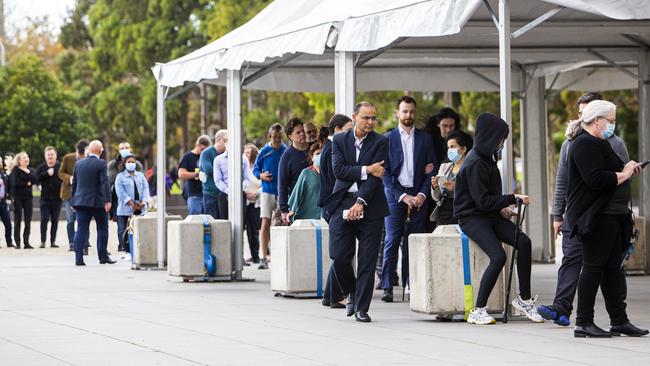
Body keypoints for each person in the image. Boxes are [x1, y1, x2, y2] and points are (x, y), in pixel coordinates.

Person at [538, 92, 631, 326]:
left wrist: (625, 174)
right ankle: (566, 309)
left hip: (606, 214)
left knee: (609, 267)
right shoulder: (576, 143)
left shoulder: (614, 143)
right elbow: (566, 180)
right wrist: (557, 214)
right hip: (582, 214)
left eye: (586, 112)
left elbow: (618, 179)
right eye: (580, 113)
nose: (582, 117)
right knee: (576, 260)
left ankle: (616, 317)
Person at [564, 100, 647, 338]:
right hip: (597, 218)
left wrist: (628, 168)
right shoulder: (583, 144)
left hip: (613, 217)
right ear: (597, 120)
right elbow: (596, 180)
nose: (613, 125)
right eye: (610, 120)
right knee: (592, 268)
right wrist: (624, 174)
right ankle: (583, 322)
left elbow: (612, 171)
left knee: (612, 270)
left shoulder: (600, 143)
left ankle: (619, 321)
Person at [454, 113, 543, 325]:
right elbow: (482, 201)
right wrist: (513, 198)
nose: (502, 145)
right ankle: (478, 309)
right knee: (498, 256)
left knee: (524, 242)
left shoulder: (487, 159)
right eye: (500, 140)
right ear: (490, 138)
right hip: (471, 217)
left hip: (488, 215)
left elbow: (488, 198)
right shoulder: (475, 163)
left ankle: (524, 299)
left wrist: (503, 207)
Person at [325, 101, 389, 323]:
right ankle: (351, 290)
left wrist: (360, 201)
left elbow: (376, 177)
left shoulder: (381, 141)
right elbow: (339, 170)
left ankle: (362, 307)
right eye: (366, 118)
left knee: (367, 261)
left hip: (370, 205)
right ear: (354, 117)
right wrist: (366, 168)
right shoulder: (339, 140)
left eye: (374, 118)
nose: (370, 122)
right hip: (342, 202)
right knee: (339, 256)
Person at [380, 96, 436, 303]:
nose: (408, 115)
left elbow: (432, 169)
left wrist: (421, 194)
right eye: (404, 111)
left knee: (414, 241)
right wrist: (403, 196)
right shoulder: (386, 139)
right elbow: (384, 173)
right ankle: (387, 286)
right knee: (392, 240)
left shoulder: (425, 139)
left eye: (411, 111)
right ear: (397, 113)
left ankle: (411, 283)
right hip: (395, 195)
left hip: (419, 194)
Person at [319, 114, 353, 309]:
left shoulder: (329, 147)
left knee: (342, 253)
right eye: (348, 130)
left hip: (332, 205)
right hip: (335, 205)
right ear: (338, 130)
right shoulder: (332, 149)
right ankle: (335, 295)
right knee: (341, 253)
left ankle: (330, 295)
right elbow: (336, 180)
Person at [71, 140, 113, 266]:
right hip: (97, 202)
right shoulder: (101, 163)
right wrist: (108, 200)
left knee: (81, 229)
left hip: (81, 201)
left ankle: (79, 258)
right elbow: (104, 183)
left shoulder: (78, 164)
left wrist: (73, 200)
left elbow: (75, 184)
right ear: (100, 150)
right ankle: (103, 256)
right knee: (102, 228)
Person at [253, 124, 286, 269]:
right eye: (274, 137)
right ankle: (263, 257)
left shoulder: (286, 150)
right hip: (267, 191)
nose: (277, 140)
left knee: (281, 223)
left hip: (282, 192)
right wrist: (261, 176)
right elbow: (255, 170)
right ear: (269, 137)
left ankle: (281, 254)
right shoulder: (264, 151)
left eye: (279, 137)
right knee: (265, 223)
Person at [430, 130, 473, 225]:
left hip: (465, 211)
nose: (450, 150)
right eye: (448, 148)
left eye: (452, 147)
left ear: (463, 149)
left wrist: (457, 187)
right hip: (445, 212)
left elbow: (476, 193)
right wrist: (435, 186)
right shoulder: (444, 167)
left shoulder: (472, 169)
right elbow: (437, 197)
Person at [212, 132, 253, 219]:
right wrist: (229, 192)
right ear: (225, 143)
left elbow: (247, 178)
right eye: (229, 142)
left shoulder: (244, 159)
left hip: (240, 194)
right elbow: (218, 180)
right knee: (225, 222)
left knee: (241, 221)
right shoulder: (218, 160)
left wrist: (238, 190)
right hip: (224, 194)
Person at [115, 154, 150, 256]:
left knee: (138, 230)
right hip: (125, 208)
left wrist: (143, 201)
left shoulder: (140, 175)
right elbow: (120, 192)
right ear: (124, 164)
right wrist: (130, 203)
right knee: (123, 230)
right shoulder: (120, 177)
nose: (131, 164)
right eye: (129, 162)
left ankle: (137, 251)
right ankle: (126, 251)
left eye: (133, 162)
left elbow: (145, 188)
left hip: (140, 207)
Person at [278, 118, 310, 225]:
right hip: (298, 204)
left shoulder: (314, 149)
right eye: (298, 132)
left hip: (317, 202)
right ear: (290, 137)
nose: (302, 134)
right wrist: (283, 210)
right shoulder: (286, 157)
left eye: (303, 131)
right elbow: (282, 184)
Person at [59, 140, 89, 252]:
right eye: (81, 154)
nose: (83, 156)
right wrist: (69, 178)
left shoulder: (88, 159)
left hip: (83, 194)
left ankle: (85, 243)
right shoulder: (68, 158)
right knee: (71, 219)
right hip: (68, 193)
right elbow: (60, 173)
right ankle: (72, 242)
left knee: (84, 219)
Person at [108, 142, 143, 223]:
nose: (125, 150)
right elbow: (112, 180)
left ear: (130, 149)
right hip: (118, 198)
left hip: (135, 198)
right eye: (122, 148)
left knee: (134, 224)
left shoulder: (137, 164)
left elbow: (141, 179)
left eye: (127, 148)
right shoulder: (113, 164)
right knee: (121, 227)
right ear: (119, 151)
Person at [288, 142, 322, 222]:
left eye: (322, 153)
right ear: (312, 157)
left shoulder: (330, 174)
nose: (320, 156)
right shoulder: (306, 173)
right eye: (317, 153)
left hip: (323, 216)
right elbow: (297, 193)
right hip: (307, 216)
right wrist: (292, 210)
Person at [35, 146, 62, 248]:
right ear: (45, 156)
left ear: (56, 155)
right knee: (44, 219)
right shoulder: (41, 167)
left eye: (52, 154)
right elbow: (36, 179)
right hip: (44, 199)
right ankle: (43, 241)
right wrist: (46, 174)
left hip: (57, 199)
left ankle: (53, 241)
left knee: (55, 220)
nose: (50, 156)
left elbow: (64, 177)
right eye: (48, 155)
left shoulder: (60, 166)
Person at [9, 152, 37, 249]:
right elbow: (15, 183)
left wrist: (28, 176)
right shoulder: (15, 170)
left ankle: (26, 242)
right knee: (17, 220)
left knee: (28, 220)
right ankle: (17, 243)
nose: (26, 159)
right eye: (24, 157)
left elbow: (34, 180)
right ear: (19, 160)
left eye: (27, 157)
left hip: (28, 198)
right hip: (17, 198)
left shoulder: (31, 170)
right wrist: (27, 183)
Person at [179, 135, 211, 215]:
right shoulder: (188, 157)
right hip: (194, 194)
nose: (204, 152)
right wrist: (196, 174)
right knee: (195, 219)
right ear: (197, 145)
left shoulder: (208, 156)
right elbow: (181, 174)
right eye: (202, 149)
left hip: (208, 194)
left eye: (206, 150)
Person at [199, 130, 227, 219]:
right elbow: (208, 170)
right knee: (212, 222)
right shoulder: (206, 153)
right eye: (226, 140)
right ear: (219, 140)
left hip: (224, 194)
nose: (228, 143)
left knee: (223, 222)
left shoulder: (227, 154)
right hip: (210, 194)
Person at [243, 144, 262, 264]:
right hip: (243, 200)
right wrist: (245, 193)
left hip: (255, 202)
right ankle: (240, 257)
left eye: (248, 153)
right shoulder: (241, 167)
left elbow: (264, 185)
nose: (246, 155)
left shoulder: (258, 168)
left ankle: (255, 256)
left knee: (253, 230)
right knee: (241, 228)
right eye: (244, 152)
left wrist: (255, 193)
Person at [0, 159, 14, 248]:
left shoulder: (4, 174)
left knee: (8, 223)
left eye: (0, 162)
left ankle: (9, 241)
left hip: (3, 202)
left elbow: (9, 186)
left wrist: (9, 197)